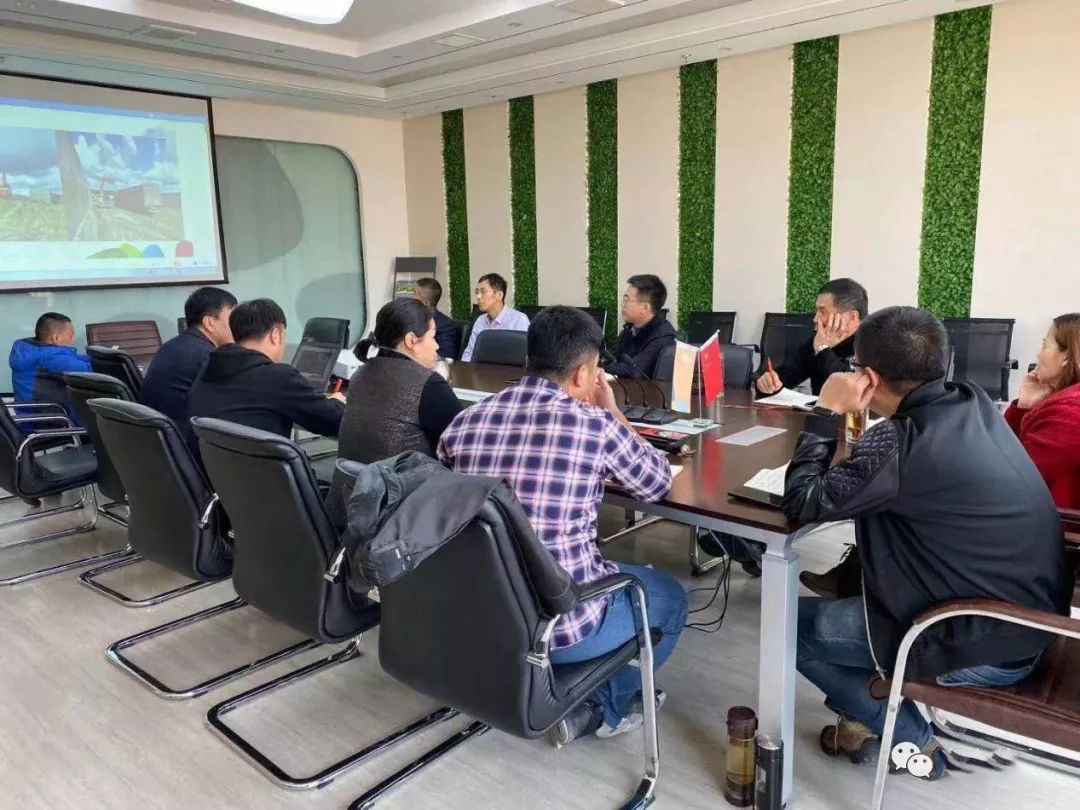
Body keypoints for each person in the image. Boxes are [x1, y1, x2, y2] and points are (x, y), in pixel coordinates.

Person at [784, 306, 1072, 780]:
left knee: (786, 627)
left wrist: (824, 412)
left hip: (980, 637)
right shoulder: (972, 399)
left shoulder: (901, 441)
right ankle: (865, 713)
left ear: (868, 378)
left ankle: (909, 737)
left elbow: (803, 500)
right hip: (1028, 617)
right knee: (850, 592)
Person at [438, 306, 687, 744]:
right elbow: (656, 482)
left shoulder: (464, 422)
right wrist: (613, 412)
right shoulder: (594, 426)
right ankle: (605, 707)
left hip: (480, 613)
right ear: (582, 374)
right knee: (670, 598)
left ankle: (558, 686)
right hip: (560, 624)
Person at [189, 298, 345, 440]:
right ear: (275, 335)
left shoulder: (208, 367)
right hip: (265, 462)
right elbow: (334, 422)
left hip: (218, 461)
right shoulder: (278, 377)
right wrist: (337, 402)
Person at [338, 298, 463, 464]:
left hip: (351, 479)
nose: (437, 346)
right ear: (411, 340)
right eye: (433, 337)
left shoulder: (360, 374)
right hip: (405, 480)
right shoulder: (428, 385)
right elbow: (465, 442)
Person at [140, 287, 237, 451]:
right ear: (209, 323)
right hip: (188, 447)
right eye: (232, 319)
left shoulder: (171, 346)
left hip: (159, 446)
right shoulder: (208, 356)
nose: (238, 326)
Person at [1004, 313, 1080, 509]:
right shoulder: (1065, 402)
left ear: (1067, 356)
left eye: (1045, 345)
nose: (1038, 354)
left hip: (1056, 524)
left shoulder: (1069, 415)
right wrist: (1024, 406)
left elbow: (1011, 478)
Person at [756, 278, 868, 396]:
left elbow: (851, 391)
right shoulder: (818, 340)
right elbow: (787, 376)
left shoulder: (873, 344)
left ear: (851, 317)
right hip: (819, 408)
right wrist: (766, 384)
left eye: (823, 312)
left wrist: (823, 350)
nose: (815, 319)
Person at [9, 312, 91, 419]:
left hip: (31, 415)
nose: (73, 339)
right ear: (56, 338)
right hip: (55, 418)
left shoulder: (31, 350)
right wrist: (107, 362)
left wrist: (97, 357)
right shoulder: (51, 357)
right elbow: (88, 371)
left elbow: (73, 359)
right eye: (71, 335)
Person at [604, 275, 677, 379]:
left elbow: (634, 371)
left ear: (645, 307)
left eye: (626, 300)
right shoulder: (629, 329)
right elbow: (614, 358)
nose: (622, 305)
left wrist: (598, 370)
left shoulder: (663, 337)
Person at [459, 273, 529, 362]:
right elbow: (469, 353)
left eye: (483, 292)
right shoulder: (480, 321)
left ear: (499, 295)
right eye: (477, 292)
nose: (478, 297)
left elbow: (528, 358)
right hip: (480, 370)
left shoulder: (519, 320)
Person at [412, 277, 461, 359]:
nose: (411, 297)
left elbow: (445, 356)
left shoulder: (445, 325)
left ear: (426, 303)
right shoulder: (408, 318)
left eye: (414, 294)